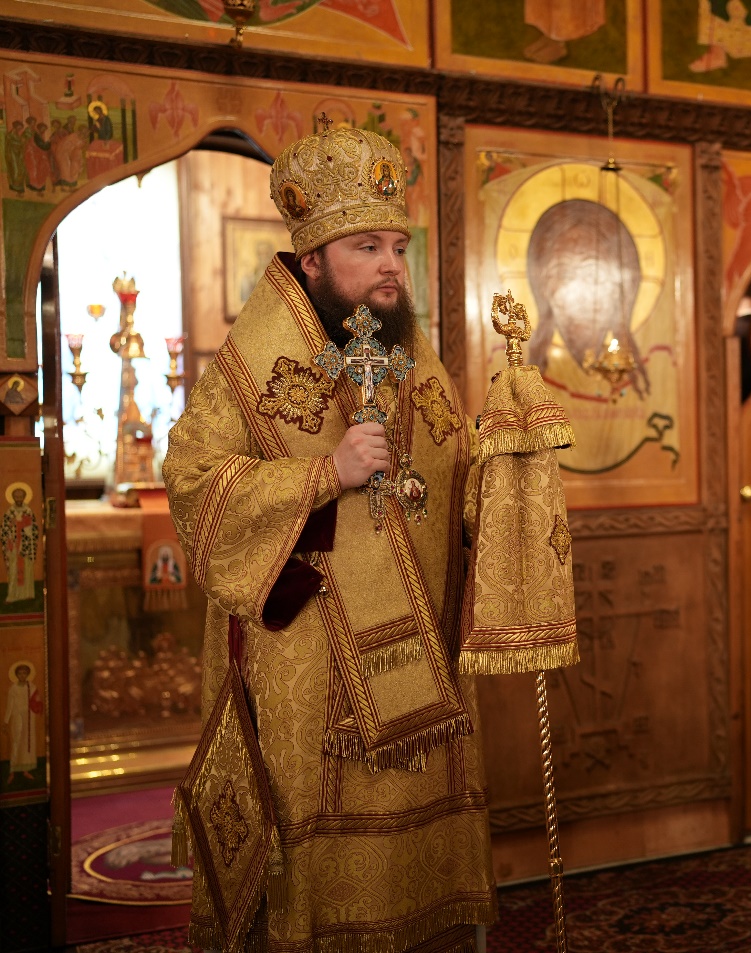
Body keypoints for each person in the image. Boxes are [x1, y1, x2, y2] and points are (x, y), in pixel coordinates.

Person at [164, 124, 576, 952]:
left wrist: (506, 456)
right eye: (367, 247)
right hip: (310, 669)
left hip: (423, 657)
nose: (392, 265)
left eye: (397, 246)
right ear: (313, 260)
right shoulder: (251, 365)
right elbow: (192, 483)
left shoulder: (410, 353)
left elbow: (447, 483)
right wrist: (325, 474)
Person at [4, 662, 39, 783]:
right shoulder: (13, 689)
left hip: (29, 718)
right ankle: (12, 771)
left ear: (28, 674)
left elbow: (36, 702)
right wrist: (6, 721)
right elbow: (10, 706)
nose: (22, 675)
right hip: (17, 718)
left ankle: (26, 770)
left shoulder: (32, 687)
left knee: (27, 743)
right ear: (16, 675)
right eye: (20, 673)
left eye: (24, 673)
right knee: (17, 742)